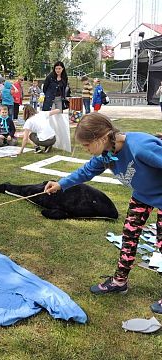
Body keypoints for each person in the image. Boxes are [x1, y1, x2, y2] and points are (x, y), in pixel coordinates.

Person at [44, 113, 162, 314]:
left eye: (86, 145)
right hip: (141, 196)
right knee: (129, 237)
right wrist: (61, 184)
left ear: (100, 138)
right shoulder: (107, 154)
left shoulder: (140, 146)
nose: (86, 150)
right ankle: (119, 281)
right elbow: (86, 172)